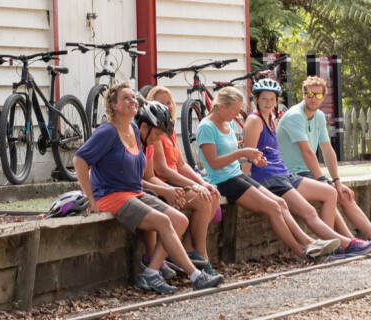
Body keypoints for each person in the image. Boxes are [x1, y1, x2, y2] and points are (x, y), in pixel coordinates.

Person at [73, 82, 224, 294]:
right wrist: (90, 197)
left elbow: (142, 176)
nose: (132, 100)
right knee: (163, 221)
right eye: (125, 98)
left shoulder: (134, 130)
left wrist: (168, 190)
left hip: (135, 192)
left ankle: (150, 273)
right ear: (114, 106)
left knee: (180, 220)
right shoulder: (107, 132)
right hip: (112, 195)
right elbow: (80, 159)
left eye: (133, 97)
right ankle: (196, 276)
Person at [197, 86, 339, 261]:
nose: (236, 114)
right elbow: (213, 162)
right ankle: (303, 252)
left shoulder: (229, 123)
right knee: (273, 208)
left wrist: (251, 158)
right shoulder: (206, 127)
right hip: (223, 180)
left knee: (280, 203)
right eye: (234, 110)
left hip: (236, 175)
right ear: (220, 106)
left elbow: (232, 157)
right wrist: (242, 153)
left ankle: (310, 243)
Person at [242, 79, 371, 258]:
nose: (268, 103)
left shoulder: (271, 119)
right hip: (271, 177)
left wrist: (336, 181)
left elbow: (327, 149)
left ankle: (339, 245)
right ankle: (342, 244)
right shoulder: (257, 120)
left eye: (272, 99)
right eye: (264, 99)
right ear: (256, 99)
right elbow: (249, 156)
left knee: (332, 192)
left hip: (283, 174)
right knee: (311, 210)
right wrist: (244, 181)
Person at [277, 76, 371, 240]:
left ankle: (355, 241)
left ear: (323, 97)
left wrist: (337, 181)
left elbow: (327, 150)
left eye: (318, 95)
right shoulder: (295, 116)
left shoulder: (319, 116)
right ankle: (332, 244)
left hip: (306, 173)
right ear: (304, 94)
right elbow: (307, 152)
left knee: (344, 195)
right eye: (310, 94)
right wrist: (321, 179)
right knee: (329, 193)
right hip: (289, 174)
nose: (314, 99)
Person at [142, 86, 221, 276]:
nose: (167, 106)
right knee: (203, 200)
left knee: (212, 194)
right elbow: (163, 169)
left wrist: (202, 182)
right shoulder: (157, 132)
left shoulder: (170, 132)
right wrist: (192, 186)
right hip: (164, 182)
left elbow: (182, 164)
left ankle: (188, 247)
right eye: (162, 103)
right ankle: (201, 255)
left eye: (169, 102)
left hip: (176, 180)